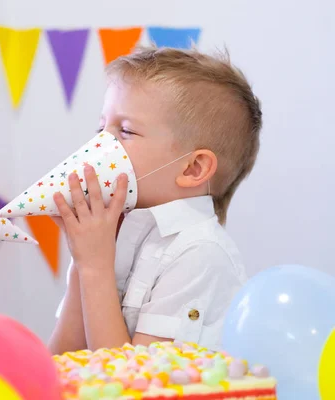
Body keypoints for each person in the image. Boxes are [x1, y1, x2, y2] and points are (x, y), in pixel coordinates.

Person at [49, 47, 262, 354]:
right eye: (101, 127)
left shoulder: (199, 253)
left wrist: (95, 267)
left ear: (193, 168)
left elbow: (134, 383)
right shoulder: (114, 230)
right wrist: (82, 262)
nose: (99, 143)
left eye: (124, 131)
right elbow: (62, 360)